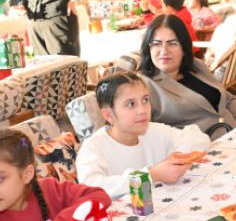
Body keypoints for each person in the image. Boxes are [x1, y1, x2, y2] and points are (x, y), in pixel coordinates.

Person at [76, 72, 210, 199]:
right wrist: (151, 175)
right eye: (131, 104)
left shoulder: (152, 131)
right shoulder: (94, 148)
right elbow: (91, 189)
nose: (142, 110)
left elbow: (198, 138)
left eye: (145, 100)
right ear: (109, 115)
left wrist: (178, 155)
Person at [139, 15, 236, 134]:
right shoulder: (143, 86)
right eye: (157, 43)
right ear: (148, 47)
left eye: (172, 43)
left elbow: (228, 99)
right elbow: (147, 135)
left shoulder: (196, 66)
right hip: (205, 144)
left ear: (184, 47)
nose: (164, 50)